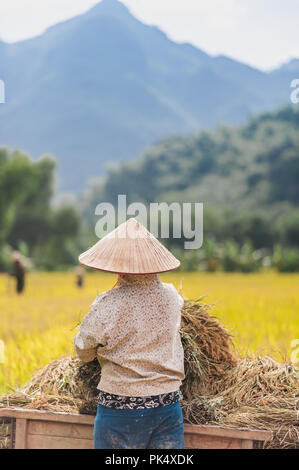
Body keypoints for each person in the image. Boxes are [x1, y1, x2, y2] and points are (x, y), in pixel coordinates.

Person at [74, 218, 185, 449]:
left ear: (118, 266)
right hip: (167, 404)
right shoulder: (173, 298)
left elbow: (83, 350)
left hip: (120, 408)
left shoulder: (108, 303)